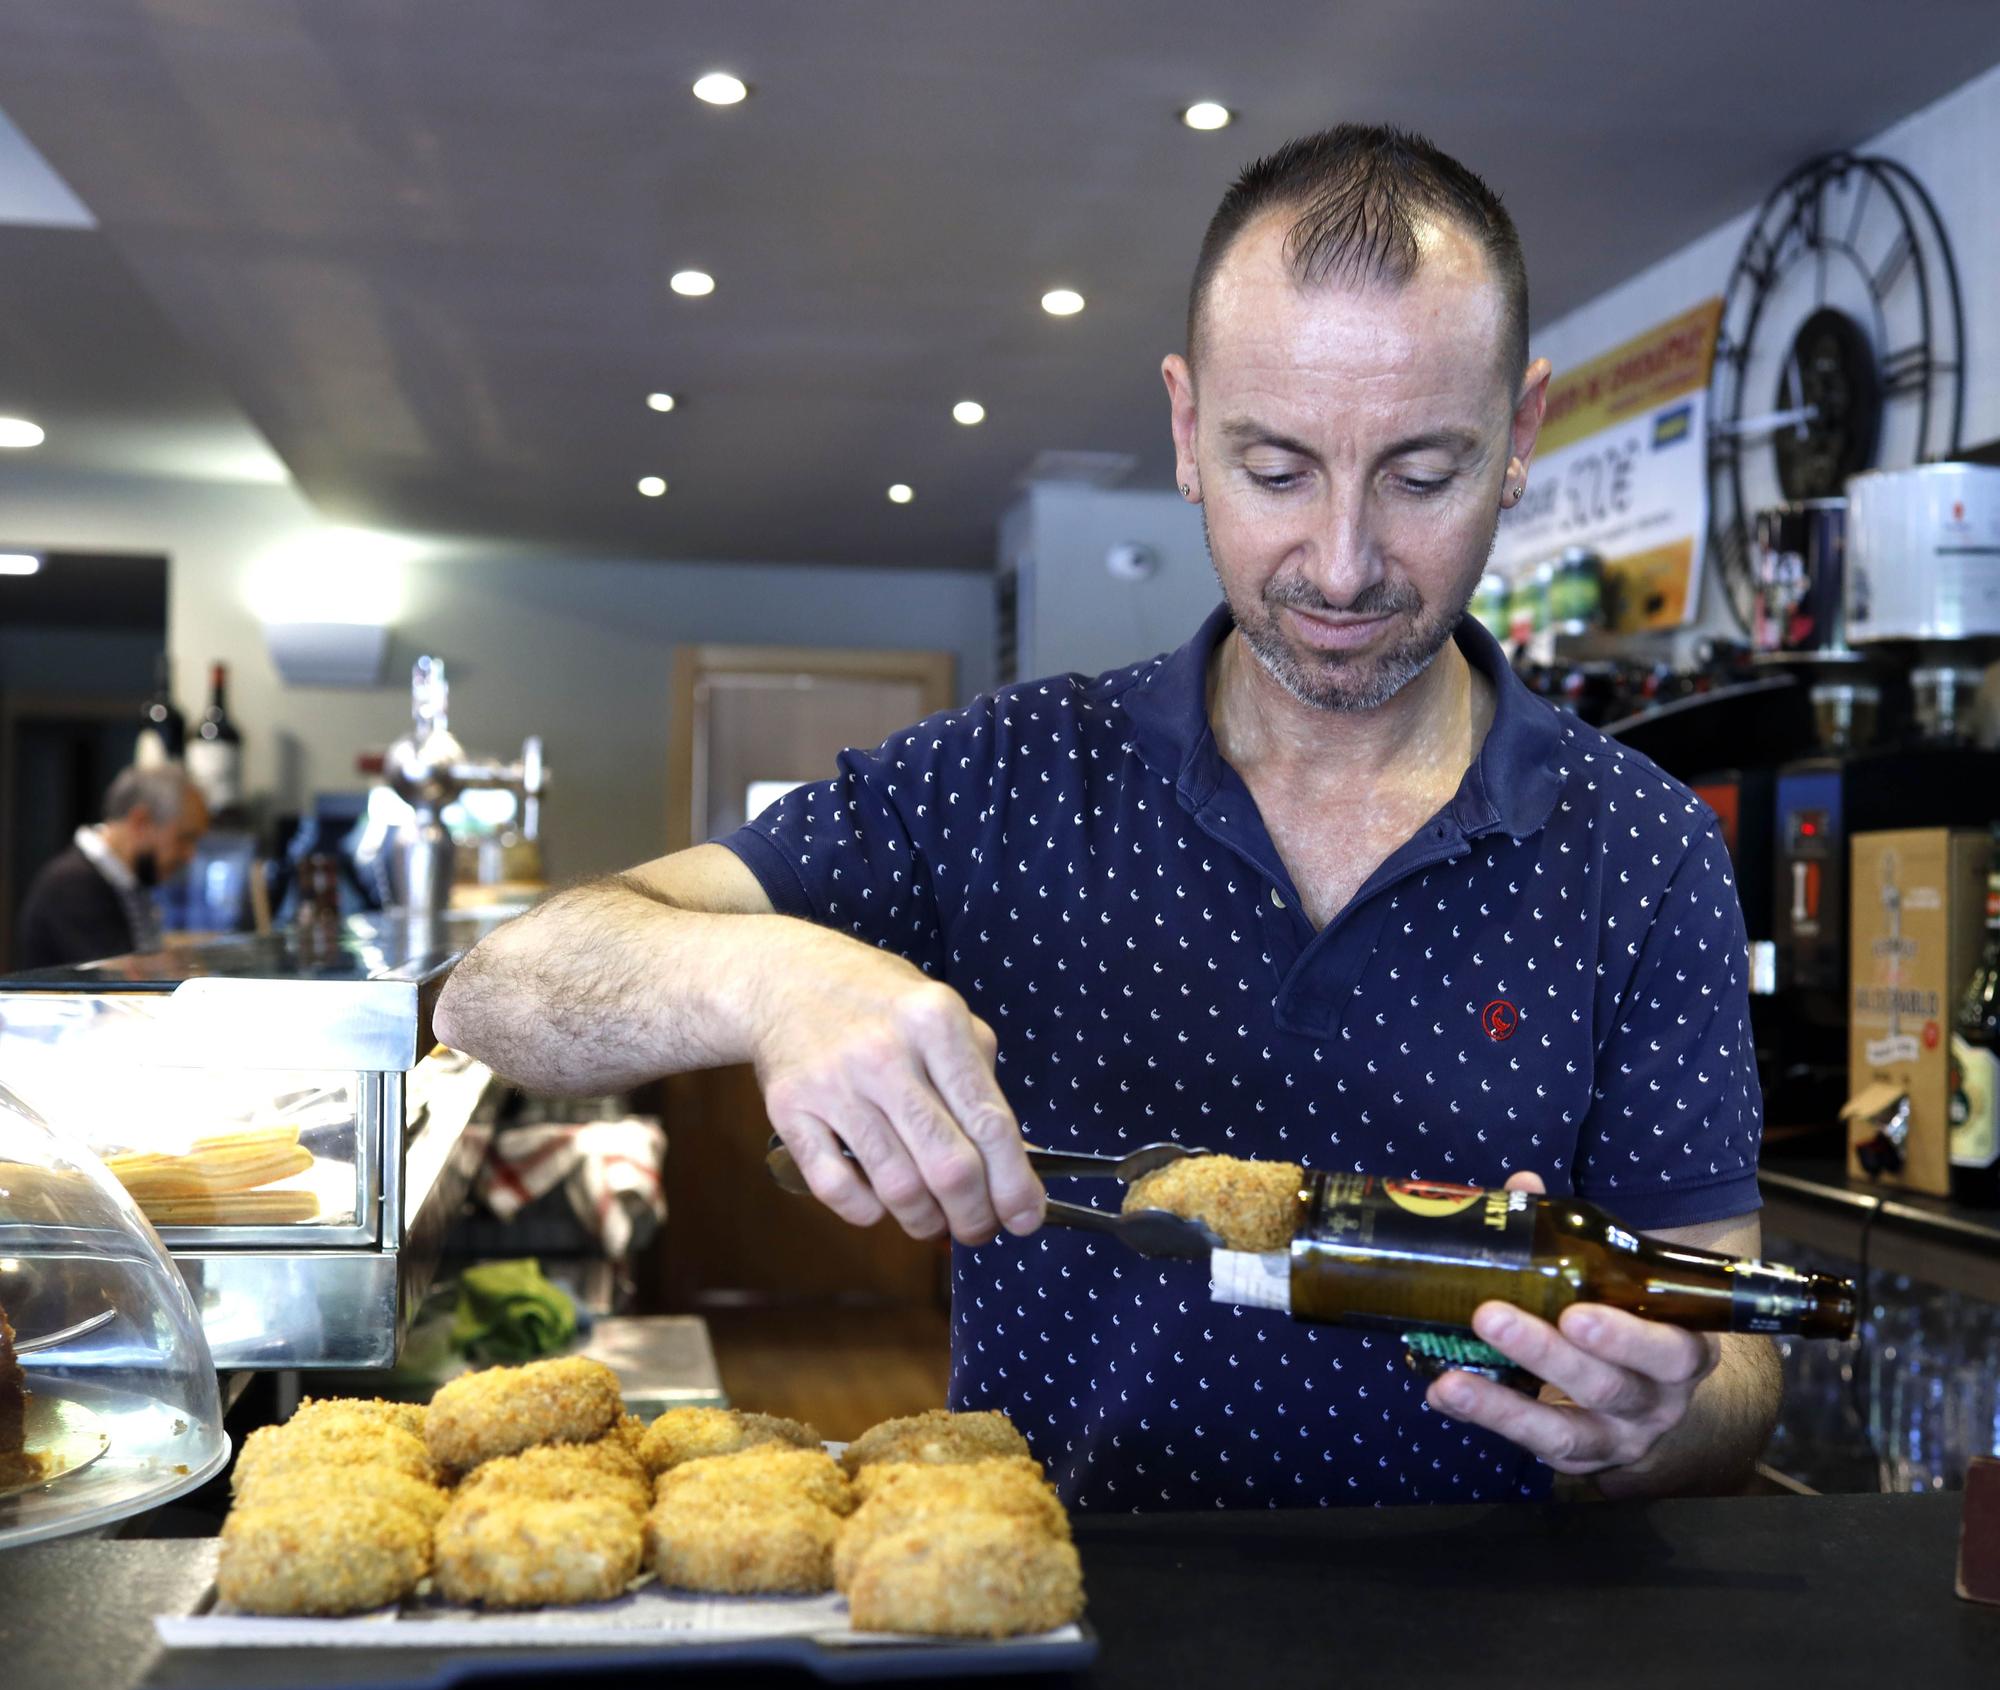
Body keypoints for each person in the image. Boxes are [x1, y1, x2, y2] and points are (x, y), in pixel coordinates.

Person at [437, 124, 1778, 1511]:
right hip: (1050, 1645)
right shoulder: (1008, 779)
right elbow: (499, 993)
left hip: (1501, 1675)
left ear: (1521, 435)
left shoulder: (1641, 848)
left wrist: (1654, 1419)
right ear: (1189, 430)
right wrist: (773, 976)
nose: (1341, 559)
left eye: (1421, 475)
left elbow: (1730, 1357)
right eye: (1277, 468)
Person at [15, 763, 209, 969]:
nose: (190, 855)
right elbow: (120, 981)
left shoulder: (122, 882)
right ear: (141, 822)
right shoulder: (71, 886)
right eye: (185, 838)